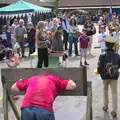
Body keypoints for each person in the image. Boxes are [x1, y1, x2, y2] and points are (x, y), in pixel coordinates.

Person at [11, 74, 76, 120]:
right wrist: (70, 80)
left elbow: (13, 88)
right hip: (44, 109)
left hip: (26, 109)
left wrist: (25, 88)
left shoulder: (32, 79)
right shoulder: (55, 79)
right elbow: (72, 85)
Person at [97, 35, 120, 117]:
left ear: (106, 44)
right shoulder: (117, 55)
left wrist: (99, 72)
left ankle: (106, 105)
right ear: (113, 45)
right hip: (114, 76)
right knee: (114, 92)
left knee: (105, 89)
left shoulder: (103, 54)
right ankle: (114, 110)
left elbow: (99, 66)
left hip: (105, 76)